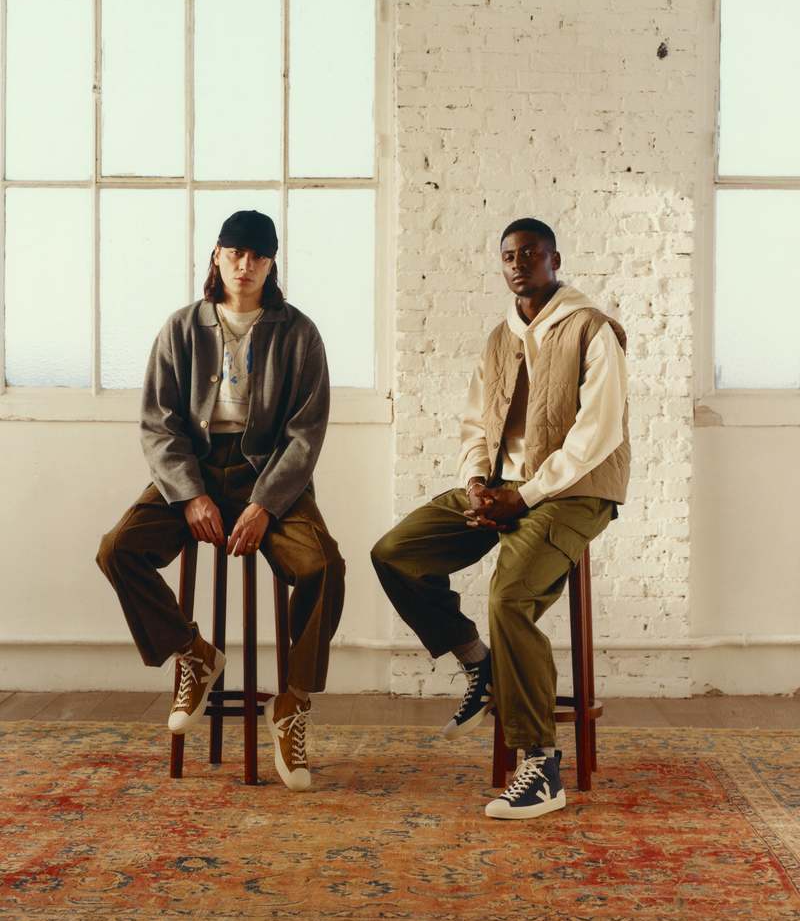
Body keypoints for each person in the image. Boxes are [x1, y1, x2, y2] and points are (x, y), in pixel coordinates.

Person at [371, 218, 629, 819]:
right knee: (396, 552)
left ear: (555, 259)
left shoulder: (592, 329)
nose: (519, 264)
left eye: (531, 253)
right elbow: (474, 424)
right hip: (502, 487)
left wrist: (528, 494)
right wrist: (477, 483)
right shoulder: (498, 338)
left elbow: (599, 431)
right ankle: (477, 661)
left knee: (508, 597)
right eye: (510, 256)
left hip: (574, 492)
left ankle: (541, 765)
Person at [97, 210, 345, 792]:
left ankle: (293, 701)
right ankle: (195, 654)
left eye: (257, 255)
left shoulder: (299, 333)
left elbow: (306, 434)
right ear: (216, 255)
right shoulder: (181, 328)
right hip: (195, 469)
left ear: (272, 263)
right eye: (235, 252)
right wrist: (189, 494)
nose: (245, 264)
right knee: (118, 550)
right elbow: (159, 423)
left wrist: (265, 505)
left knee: (325, 566)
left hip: (270, 475)